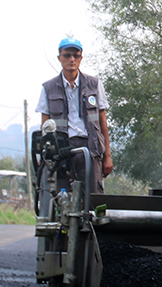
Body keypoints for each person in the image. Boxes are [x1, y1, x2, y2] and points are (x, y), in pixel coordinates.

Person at [35, 36, 112, 193]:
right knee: (60, 198)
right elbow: (45, 126)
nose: (71, 59)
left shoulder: (94, 84)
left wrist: (107, 156)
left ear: (81, 58)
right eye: (67, 55)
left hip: (90, 149)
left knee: (94, 199)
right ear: (59, 58)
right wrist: (44, 157)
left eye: (75, 55)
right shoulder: (48, 88)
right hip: (61, 152)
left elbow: (102, 121)